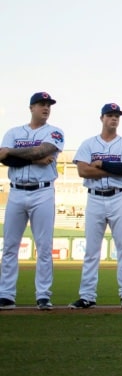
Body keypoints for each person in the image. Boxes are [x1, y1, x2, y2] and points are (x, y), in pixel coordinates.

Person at [68, 103, 122, 310]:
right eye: (110, 115)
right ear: (102, 118)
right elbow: (83, 172)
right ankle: (87, 295)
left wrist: (102, 164)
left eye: (117, 116)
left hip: (118, 198)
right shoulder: (88, 144)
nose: (114, 119)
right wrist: (113, 171)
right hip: (95, 198)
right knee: (91, 249)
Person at [0, 92, 64, 311]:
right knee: (9, 246)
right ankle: (6, 295)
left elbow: (43, 150)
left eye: (48, 105)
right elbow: (3, 157)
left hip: (42, 192)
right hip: (16, 192)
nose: (45, 108)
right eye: (41, 104)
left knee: (44, 247)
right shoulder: (14, 132)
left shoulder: (54, 132)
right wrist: (35, 158)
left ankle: (43, 295)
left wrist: (13, 152)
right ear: (31, 108)